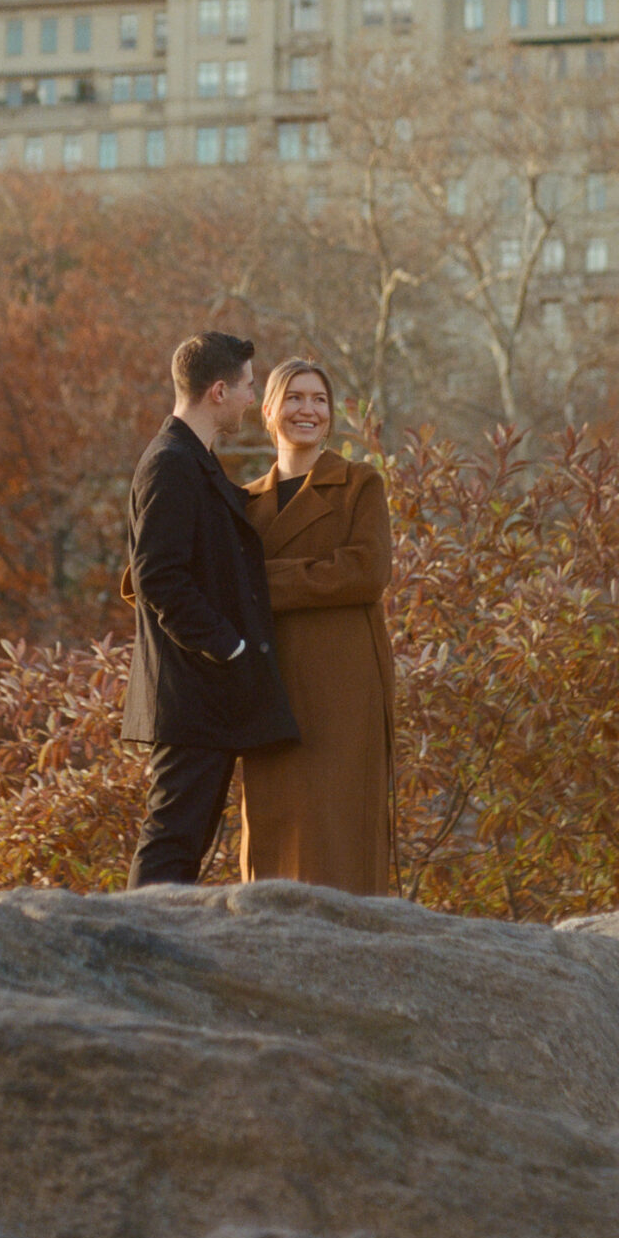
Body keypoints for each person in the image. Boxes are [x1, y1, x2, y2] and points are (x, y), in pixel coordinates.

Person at [120, 331, 299, 887]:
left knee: (183, 844)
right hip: (191, 694)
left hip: (203, 696)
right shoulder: (171, 465)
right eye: (248, 387)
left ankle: (148, 958)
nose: (253, 399)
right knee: (173, 842)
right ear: (218, 391)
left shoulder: (192, 462)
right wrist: (230, 645)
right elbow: (158, 577)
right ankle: (133, 958)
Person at [237, 360, 398, 895]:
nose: (308, 409)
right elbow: (210, 577)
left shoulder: (359, 484)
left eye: (319, 400)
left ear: (330, 417)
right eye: (294, 397)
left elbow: (364, 573)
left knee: (341, 830)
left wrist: (259, 583)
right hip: (270, 686)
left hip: (344, 685)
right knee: (275, 828)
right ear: (268, 411)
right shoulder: (243, 503)